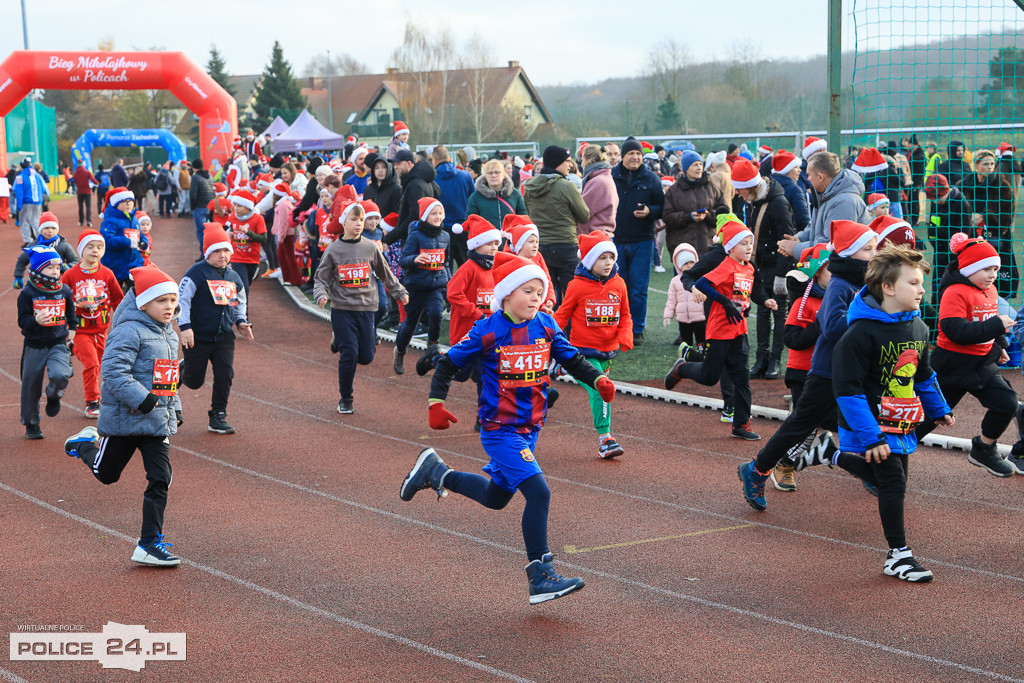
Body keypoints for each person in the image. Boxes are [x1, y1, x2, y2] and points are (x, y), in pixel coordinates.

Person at [399, 251, 613, 604]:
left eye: (539, 291)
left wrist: (598, 379)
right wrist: (435, 403)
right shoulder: (488, 329)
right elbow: (449, 363)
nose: (536, 297)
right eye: (527, 291)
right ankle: (540, 574)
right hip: (499, 430)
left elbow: (571, 358)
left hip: (531, 427)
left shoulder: (546, 324)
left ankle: (437, 472)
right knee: (539, 493)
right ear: (506, 294)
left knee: (496, 498)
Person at [810, 245, 952, 582]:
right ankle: (899, 556)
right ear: (887, 288)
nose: (922, 290)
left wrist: (939, 408)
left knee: (893, 483)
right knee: (891, 481)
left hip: (900, 421)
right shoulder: (858, 334)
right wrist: (870, 435)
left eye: (921, 283)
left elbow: (923, 376)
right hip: (869, 424)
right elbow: (847, 390)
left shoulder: (918, 329)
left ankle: (832, 455)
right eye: (914, 283)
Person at [738, 220, 878, 511]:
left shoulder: (864, 283)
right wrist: (867, 317)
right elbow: (832, 328)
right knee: (800, 425)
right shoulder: (840, 285)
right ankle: (758, 469)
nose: (874, 253)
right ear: (850, 253)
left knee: (865, 418)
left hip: (854, 370)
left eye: (875, 247)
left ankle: (868, 468)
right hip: (827, 370)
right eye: (867, 248)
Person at [62, 264, 183, 567]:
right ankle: (85, 445)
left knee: (161, 478)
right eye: (161, 300)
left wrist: (175, 407)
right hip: (125, 419)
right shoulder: (127, 331)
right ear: (143, 302)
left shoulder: (169, 335)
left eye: (172, 300)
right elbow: (113, 373)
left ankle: (148, 544)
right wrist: (143, 400)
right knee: (107, 475)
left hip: (155, 422)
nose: (169, 307)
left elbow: (166, 379)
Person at [912, 234, 1018, 476]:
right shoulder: (955, 292)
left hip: (982, 364)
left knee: (1007, 403)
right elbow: (955, 330)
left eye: (995, 268)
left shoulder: (989, 290)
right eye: (985, 269)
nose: (992, 274)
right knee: (928, 418)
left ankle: (983, 449)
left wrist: (999, 344)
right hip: (952, 365)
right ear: (969, 269)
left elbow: (990, 321)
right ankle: (887, 458)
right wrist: (996, 328)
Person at [665, 220, 776, 440]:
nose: (748, 247)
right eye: (743, 243)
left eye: (750, 243)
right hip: (719, 330)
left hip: (740, 330)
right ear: (731, 247)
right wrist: (725, 303)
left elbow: (753, 291)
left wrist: (765, 301)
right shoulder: (725, 265)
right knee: (709, 377)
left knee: (742, 378)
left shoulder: (750, 267)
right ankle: (682, 368)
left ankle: (741, 424)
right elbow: (704, 284)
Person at [314, 201, 408, 414]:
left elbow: (386, 273)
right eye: (353, 219)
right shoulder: (333, 250)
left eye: (361, 220)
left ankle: (339, 338)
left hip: (367, 308)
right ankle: (346, 398)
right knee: (350, 353)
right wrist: (321, 295)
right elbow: (321, 278)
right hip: (342, 308)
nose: (358, 224)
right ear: (344, 222)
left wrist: (400, 292)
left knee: (366, 356)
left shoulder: (369, 247)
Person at [553, 232, 634, 458]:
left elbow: (626, 314)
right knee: (602, 389)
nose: (608, 263)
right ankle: (605, 439)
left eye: (611, 257)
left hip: (608, 351)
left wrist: (625, 334)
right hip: (582, 352)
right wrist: (546, 334)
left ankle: (560, 367)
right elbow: (563, 314)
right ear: (589, 260)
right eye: (602, 258)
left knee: (602, 388)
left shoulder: (619, 284)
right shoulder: (577, 286)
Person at [178, 224, 254, 435]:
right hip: (198, 336)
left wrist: (241, 322)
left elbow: (240, 302)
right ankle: (182, 370)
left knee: (225, 374)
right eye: (217, 251)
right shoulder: (196, 273)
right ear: (207, 252)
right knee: (194, 382)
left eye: (226, 251)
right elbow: (181, 301)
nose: (222, 255)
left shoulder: (233, 276)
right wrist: (185, 327)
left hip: (223, 336)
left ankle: (218, 415)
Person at [772, 243, 831, 492]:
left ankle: (829, 450)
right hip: (802, 373)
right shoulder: (803, 304)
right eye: (831, 270)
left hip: (829, 372)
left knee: (829, 421)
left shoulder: (840, 299)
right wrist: (820, 326)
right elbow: (792, 339)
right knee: (807, 426)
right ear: (817, 273)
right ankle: (784, 464)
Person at [732, 158, 795, 380]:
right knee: (761, 311)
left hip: (776, 265)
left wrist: (781, 274)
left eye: (740, 190)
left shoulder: (777, 202)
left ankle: (775, 360)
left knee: (779, 312)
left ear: (750, 186)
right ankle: (761, 358)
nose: (738, 194)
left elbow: (787, 238)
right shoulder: (755, 200)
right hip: (759, 265)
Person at [60, 230, 123, 418]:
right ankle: (92, 402)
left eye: (99, 247)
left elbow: (118, 300)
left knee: (108, 366)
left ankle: (110, 399)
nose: (95, 250)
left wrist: (123, 322)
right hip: (80, 331)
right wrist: (73, 307)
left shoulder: (107, 274)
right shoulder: (71, 275)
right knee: (92, 364)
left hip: (102, 330)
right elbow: (60, 299)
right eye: (90, 246)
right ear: (80, 250)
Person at [17, 246, 76, 439]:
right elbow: (22, 322)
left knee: (60, 374)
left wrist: (73, 329)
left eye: (58, 268)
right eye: (50, 267)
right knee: (30, 387)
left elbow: (71, 313)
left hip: (58, 343)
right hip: (34, 345)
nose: (55, 272)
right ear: (37, 269)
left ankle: (54, 395)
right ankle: (31, 424)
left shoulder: (64, 290)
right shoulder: (27, 294)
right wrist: (35, 321)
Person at [610, 137, 664, 346]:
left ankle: (637, 328)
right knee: (618, 287)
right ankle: (618, 326)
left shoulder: (651, 178)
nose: (635, 157)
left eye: (638, 154)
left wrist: (651, 211)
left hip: (642, 240)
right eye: (631, 153)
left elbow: (662, 205)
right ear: (623, 156)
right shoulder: (611, 176)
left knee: (639, 288)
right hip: (616, 239)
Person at [523, 145, 591, 304]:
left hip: (540, 245)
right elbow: (584, 215)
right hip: (565, 245)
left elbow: (530, 213)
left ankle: (547, 327)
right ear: (557, 163)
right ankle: (569, 329)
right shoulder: (566, 186)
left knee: (545, 294)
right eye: (566, 161)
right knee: (571, 294)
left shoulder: (529, 187)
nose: (570, 164)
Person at [393, 198, 451, 375]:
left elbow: (446, 262)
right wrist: (415, 260)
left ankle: (432, 345)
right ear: (425, 216)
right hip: (416, 286)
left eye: (440, 213)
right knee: (410, 323)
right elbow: (403, 260)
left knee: (436, 313)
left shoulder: (446, 236)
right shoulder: (415, 236)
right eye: (434, 213)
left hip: (435, 286)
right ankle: (400, 351)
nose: (438, 216)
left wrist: (449, 286)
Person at [777, 152, 869, 262]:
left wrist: (794, 248)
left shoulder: (843, 202)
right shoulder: (827, 194)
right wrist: (799, 238)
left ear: (820, 177)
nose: (808, 179)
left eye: (810, 175)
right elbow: (816, 226)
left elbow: (831, 244)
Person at [957, 149, 1016, 298]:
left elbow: (1007, 216)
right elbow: (955, 211)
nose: (990, 167)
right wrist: (968, 217)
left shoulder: (1003, 186)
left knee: (995, 277)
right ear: (976, 165)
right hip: (970, 237)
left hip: (996, 237)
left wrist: (984, 217)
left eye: (992, 163)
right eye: (985, 164)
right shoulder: (963, 185)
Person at [663, 150, 726, 258]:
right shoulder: (673, 191)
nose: (699, 168)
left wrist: (708, 215)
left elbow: (724, 212)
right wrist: (689, 217)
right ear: (686, 168)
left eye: (701, 164)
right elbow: (667, 217)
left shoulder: (713, 188)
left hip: (709, 247)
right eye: (695, 165)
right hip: (683, 249)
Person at [432, 146, 475, 269]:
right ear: (449, 158)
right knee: (467, 268)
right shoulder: (465, 176)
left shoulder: (432, 179)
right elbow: (473, 200)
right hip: (463, 228)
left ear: (434, 160)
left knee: (444, 270)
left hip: (441, 229)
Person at [13, 212, 79, 287]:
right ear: (40, 229)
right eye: (46, 228)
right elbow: (21, 261)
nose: (50, 231)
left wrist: (68, 266)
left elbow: (75, 260)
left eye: (53, 228)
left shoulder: (63, 245)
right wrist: (18, 277)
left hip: (58, 282)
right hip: (37, 282)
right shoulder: (34, 247)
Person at [99, 187, 147, 289]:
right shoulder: (110, 221)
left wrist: (144, 241)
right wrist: (127, 242)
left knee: (137, 292)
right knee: (116, 294)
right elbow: (106, 240)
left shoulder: (134, 219)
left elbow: (140, 234)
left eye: (130, 201)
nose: (128, 204)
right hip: (116, 265)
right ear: (116, 205)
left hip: (134, 263)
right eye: (124, 202)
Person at [224, 189, 268, 293]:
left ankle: (241, 306)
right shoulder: (233, 216)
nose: (236, 208)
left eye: (239, 206)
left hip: (252, 258)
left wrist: (249, 233)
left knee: (246, 284)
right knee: (243, 287)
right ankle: (242, 309)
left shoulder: (258, 219)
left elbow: (264, 239)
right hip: (236, 257)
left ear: (248, 207)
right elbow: (228, 231)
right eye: (234, 205)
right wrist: (227, 235)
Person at [663, 243, 706, 349]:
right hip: (683, 319)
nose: (689, 265)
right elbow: (671, 300)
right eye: (685, 263)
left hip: (700, 317)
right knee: (686, 341)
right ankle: (687, 354)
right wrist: (668, 315)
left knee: (702, 339)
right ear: (678, 265)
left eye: (692, 262)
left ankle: (702, 354)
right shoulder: (675, 281)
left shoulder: (701, 278)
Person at [465, 159, 527, 231]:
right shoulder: (476, 197)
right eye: (490, 173)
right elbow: (470, 222)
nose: (493, 175)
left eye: (497, 172)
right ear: (485, 176)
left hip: (511, 239)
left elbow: (523, 218)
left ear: (503, 175)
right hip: (488, 240)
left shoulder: (515, 194)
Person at [578, 145, 618, 237]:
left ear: (587, 160)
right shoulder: (606, 177)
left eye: (582, 160)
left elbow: (582, 213)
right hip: (602, 235)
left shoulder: (597, 182)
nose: (581, 164)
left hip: (595, 237)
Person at [770, 151, 810, 231]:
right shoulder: (794, 190)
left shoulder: (770, 186)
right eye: (795, 167)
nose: (799, 170)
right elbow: (802, 219)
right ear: (786, 170)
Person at [14, 158, 49, 245]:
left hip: (26, 202)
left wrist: (19, 206)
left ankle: (27, 240)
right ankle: (43, 238)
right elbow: (45, 189)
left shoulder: (20, 177)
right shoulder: (38, 175)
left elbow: (18, 192)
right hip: (38, 201)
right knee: (36, 221)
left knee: (24, 221)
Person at [73, 161, 98, 227]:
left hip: (79, 192)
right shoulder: (87, 172)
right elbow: (94, 180)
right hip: (87, 192)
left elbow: (74, 181)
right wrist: (97, 183)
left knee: (80, 207)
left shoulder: (75, 174)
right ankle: (89, 221)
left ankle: (81, 221)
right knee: (88, 207)